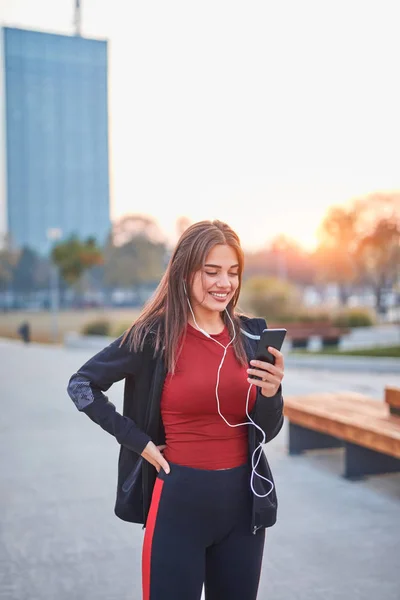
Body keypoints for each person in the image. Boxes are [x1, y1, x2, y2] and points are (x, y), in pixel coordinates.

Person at [67, 220, 285, 600]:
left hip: (243, 507)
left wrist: (272, 393)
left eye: (233, 272)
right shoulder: (153, 336)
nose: (224, 283)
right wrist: (140, 443)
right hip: (178, 504)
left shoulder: (249, 336)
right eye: (211, 271)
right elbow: (82, 385)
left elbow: (268, 430)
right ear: (184, 272)